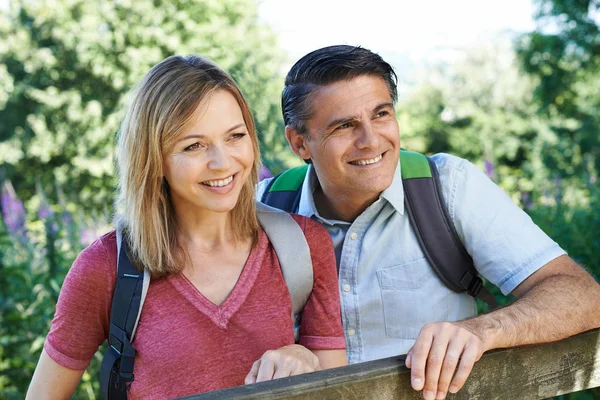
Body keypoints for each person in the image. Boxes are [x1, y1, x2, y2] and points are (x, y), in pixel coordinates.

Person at [257, 45, 600, 400]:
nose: (371, 140)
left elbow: (583, 296)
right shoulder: (262, 210)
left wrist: (483, 331)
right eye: (345, 125)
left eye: (381, 114)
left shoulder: (450, 187)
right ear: (300, 143)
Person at [26, 54, 347, 399]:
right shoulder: (105, 268)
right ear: (153, 158)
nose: (222, 162)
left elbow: (341, 390)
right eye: (193, 145)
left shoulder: (303, 246)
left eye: (235, 136)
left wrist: (304, 357)